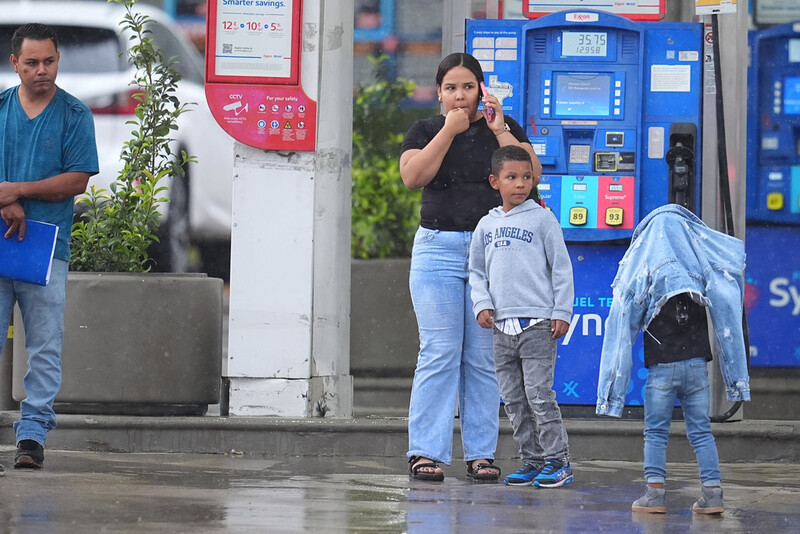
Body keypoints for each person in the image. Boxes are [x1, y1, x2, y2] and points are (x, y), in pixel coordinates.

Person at [400, 52, 540, 482]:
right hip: (437, 249)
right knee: (439, 352)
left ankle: (481, 453)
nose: (460, 96)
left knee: (482, 357)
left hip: (492, 253)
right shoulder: (426, 129)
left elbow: (531, 175)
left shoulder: (502, 129)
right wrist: (448, 131)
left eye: (468, 86)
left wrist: (499, 129)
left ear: (482, 89)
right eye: (451, 88)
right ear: (439, 93)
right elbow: (413, 176)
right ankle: (426, 452)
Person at [596, 204, 750, 514]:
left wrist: (610, 395)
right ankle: (712, 493)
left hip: (661, 371)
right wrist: (737, 380)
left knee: (656, 432)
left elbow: (623, 323)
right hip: (696, 369)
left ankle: (655, 494)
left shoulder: (646, 271)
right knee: (701, 432)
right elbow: (727, 311)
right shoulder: (700, 271)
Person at [0, 23, 99, 470]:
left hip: (46, 247)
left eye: (50, 61)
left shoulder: (74, 115)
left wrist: (15, 191)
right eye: (33, 62)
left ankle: (32, 436)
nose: (43, 70)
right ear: (14, 63)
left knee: (44, 345)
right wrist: (7, 204)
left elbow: (76, 179)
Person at [468, 145, 575, 488]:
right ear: (494, 181)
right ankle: (532, 460)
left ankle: (558, 460)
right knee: (514, 399)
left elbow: (561, 268)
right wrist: (481, 304)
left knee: (539, 396)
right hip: (502, 328)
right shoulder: (486, 224)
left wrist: (561, 311)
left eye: (526, 177)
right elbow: (477, 272)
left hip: (538, 325)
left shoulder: (543, 219)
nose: (520, 184)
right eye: (511, 177)